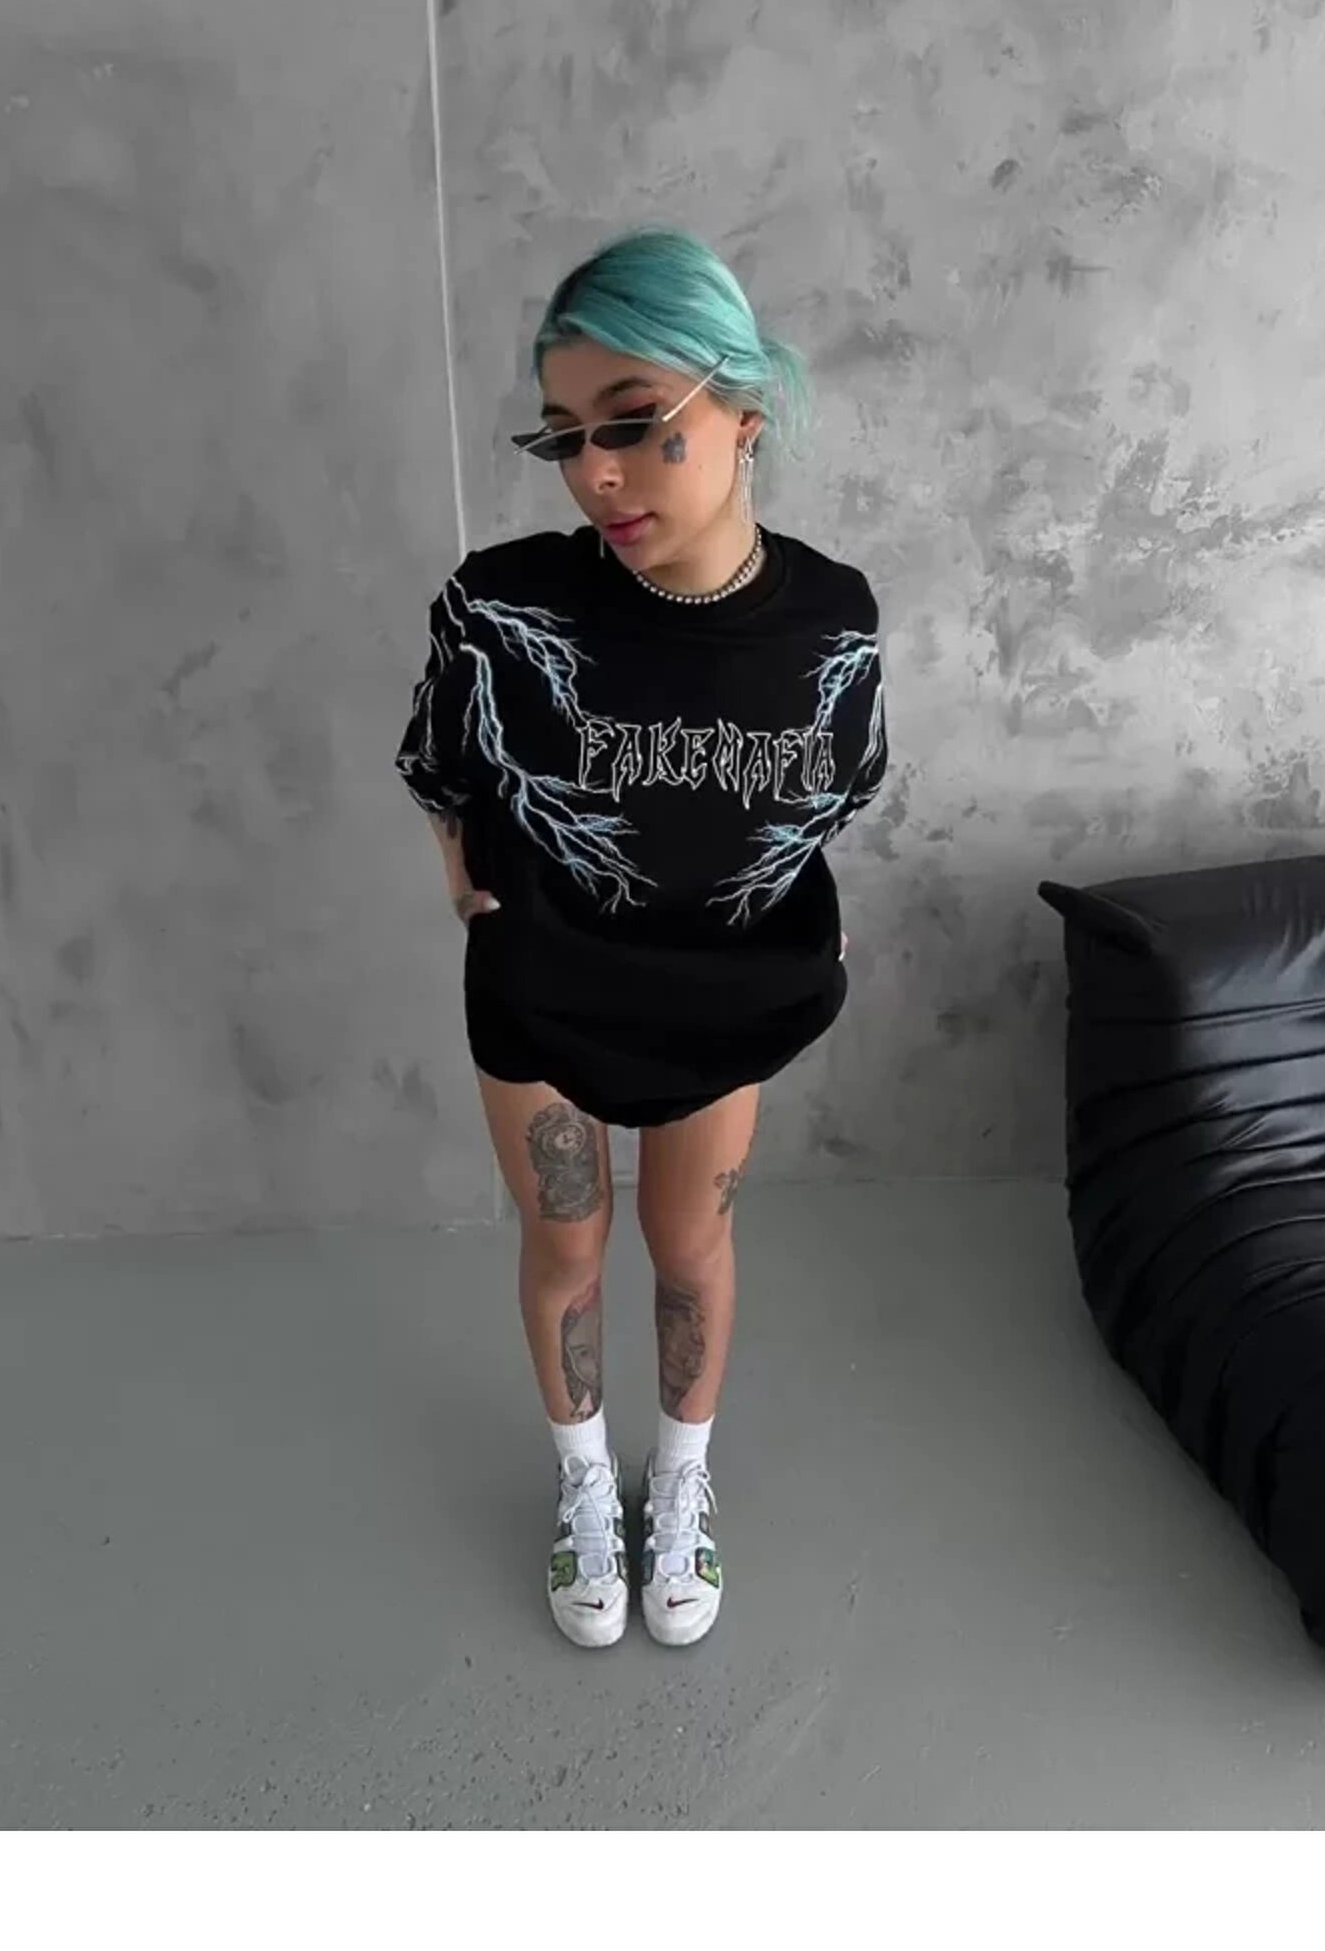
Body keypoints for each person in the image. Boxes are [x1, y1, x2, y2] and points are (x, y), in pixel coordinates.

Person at [396, 228, 888, 1650]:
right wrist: (465, 878)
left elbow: (844, 783)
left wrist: (780, 909)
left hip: (720, 997)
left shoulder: (833, 621)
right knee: (567, 1240)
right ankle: (580, 1485)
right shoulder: (502, 606)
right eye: (565, 437)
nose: (595, 474)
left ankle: (679, 1478)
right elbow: (440, 765)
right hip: (544, 986)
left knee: (688, 1241)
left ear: (744, 411)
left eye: (631, 425)